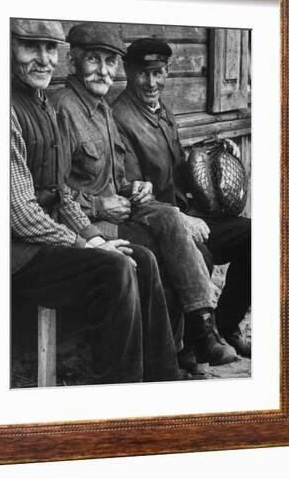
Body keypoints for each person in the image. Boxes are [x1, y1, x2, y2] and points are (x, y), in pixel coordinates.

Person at [51, 22, 237, 367]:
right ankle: (182, 348)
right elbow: (54, 192)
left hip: (120, 211)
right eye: (94, 60)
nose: (103, 70)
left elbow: (117, 177)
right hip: (89, 225)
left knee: (170, 220)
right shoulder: (63, 109)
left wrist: (136, 187)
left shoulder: (103, 110)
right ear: (73, 63)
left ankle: (197, 333)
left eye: (109, 62)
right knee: (177, 247)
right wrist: (98, 204)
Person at [10, 18, 180, 384]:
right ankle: (118, 392)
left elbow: (62, 193)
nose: (43, 60)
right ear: (9, 48)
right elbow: (21, 216)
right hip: (15, 254)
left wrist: (96, 238)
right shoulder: (7, 108)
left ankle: (164, 382)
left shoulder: (42, 104)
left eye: (50, 49)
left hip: (48, 240)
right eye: (31, 47)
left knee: (140, 259)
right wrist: (86, 242)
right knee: (114, 269)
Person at [111, 36, 251, 358]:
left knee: (254, 236)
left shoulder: (163, 110)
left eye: (158, 72)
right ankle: (194, 344)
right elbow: (131, 190)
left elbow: (177, 165)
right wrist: (183, 219)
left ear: (167, 72)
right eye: (144, 73)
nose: (151, 82)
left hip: (187, 213)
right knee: (200, 253)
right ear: (128, 71)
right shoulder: (119, 118)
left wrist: (216, 149)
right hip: (157, 225)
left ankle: (226, 326)